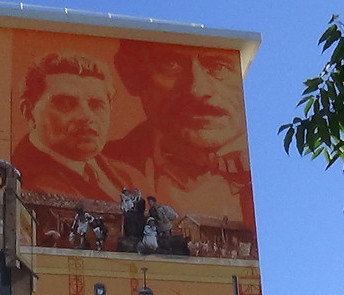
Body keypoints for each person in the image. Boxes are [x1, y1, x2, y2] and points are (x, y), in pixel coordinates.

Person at [106, 41, 254, 228]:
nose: (197, 90)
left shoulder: (275, 181)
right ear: (132, 77)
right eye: (171, 65)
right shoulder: (101, 168)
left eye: (218, 67)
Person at [13, 52, 136, 202]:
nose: (86, 116)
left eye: (96, 105)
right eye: (66, 104)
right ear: (28, 112)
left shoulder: (125, 175)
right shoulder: (22, 181)